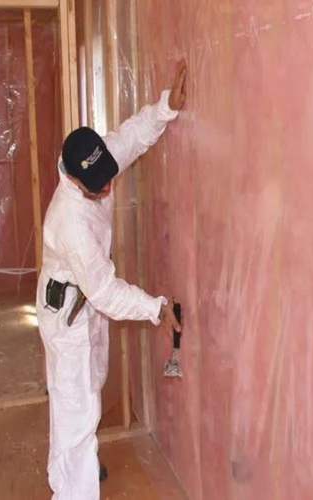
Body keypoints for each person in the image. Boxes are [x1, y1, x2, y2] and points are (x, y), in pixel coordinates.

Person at [35, 59, 187, 499]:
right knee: (75, 409)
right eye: (97, 187)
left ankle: (75, 465)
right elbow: (104, 290)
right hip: (68, 313)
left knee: (90, 388)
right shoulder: (71, 222)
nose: (106, 189)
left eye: (107, 180)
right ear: (72, 177)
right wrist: (155, 307)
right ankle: (72, 490)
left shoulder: (94, 161)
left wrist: (167, 107)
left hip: (86, 303)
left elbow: (131, 138)